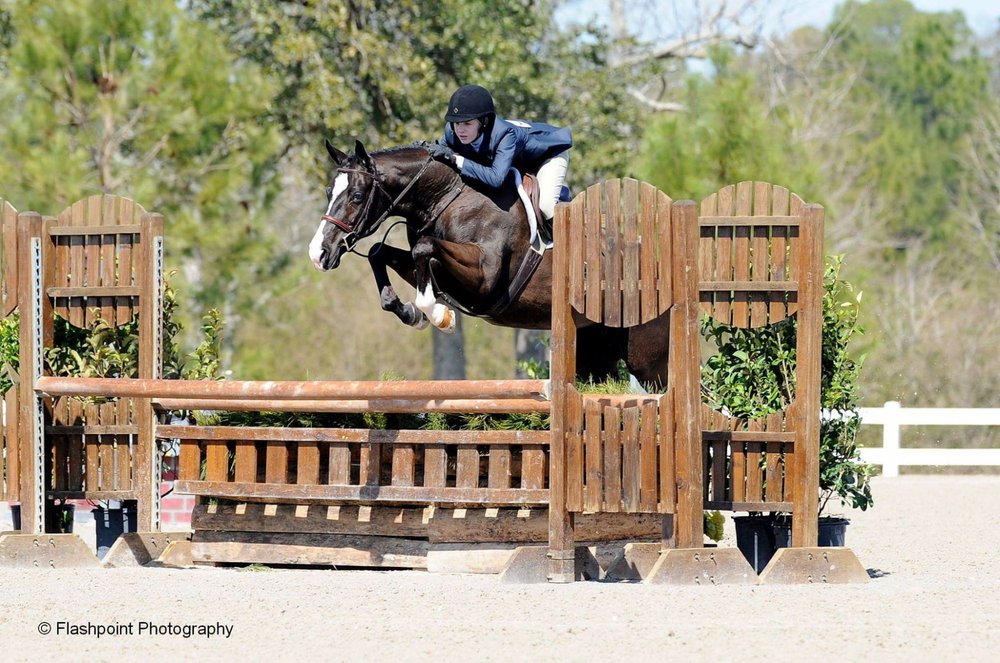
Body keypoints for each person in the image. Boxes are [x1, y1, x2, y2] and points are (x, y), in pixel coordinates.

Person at [426, 84, 572, 227]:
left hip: (547, 155)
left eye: (467, 124)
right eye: (456, 123)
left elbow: (496, 179)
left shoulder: (504, 134)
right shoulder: (451, 132)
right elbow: (441, 155)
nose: (460, 130)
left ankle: (557, 231)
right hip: (514, 160)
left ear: (483, 122)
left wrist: (457, 159)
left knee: (545, 207)